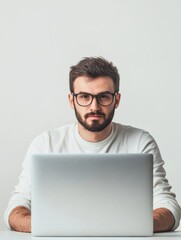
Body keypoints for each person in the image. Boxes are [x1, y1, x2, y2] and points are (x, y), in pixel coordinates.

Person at [4, 57, 181, 233]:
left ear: (117, 100)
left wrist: (129, 226)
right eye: (84, 97)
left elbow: (168, 206)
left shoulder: (140, 142)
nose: (93, 106)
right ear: (71, 100)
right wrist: (50, 226)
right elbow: (16, 207)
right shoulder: (46, 143)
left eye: (103, 97)